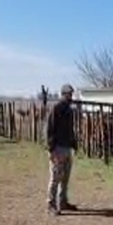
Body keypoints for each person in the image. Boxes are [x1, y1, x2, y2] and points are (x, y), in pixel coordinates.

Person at [46, 84, 78, 214]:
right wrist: (51, 148)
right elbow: (49, 128)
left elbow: (70, 130)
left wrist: (73, 143)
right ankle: (51, 203)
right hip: (57, 148)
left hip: (66, 147)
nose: (70, 97)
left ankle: (62, 201)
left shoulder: (69, 110)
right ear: (63, 94)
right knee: (55, 177)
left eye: (71, 94)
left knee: (65, 177)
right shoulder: (56, 108)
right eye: (68, 94)